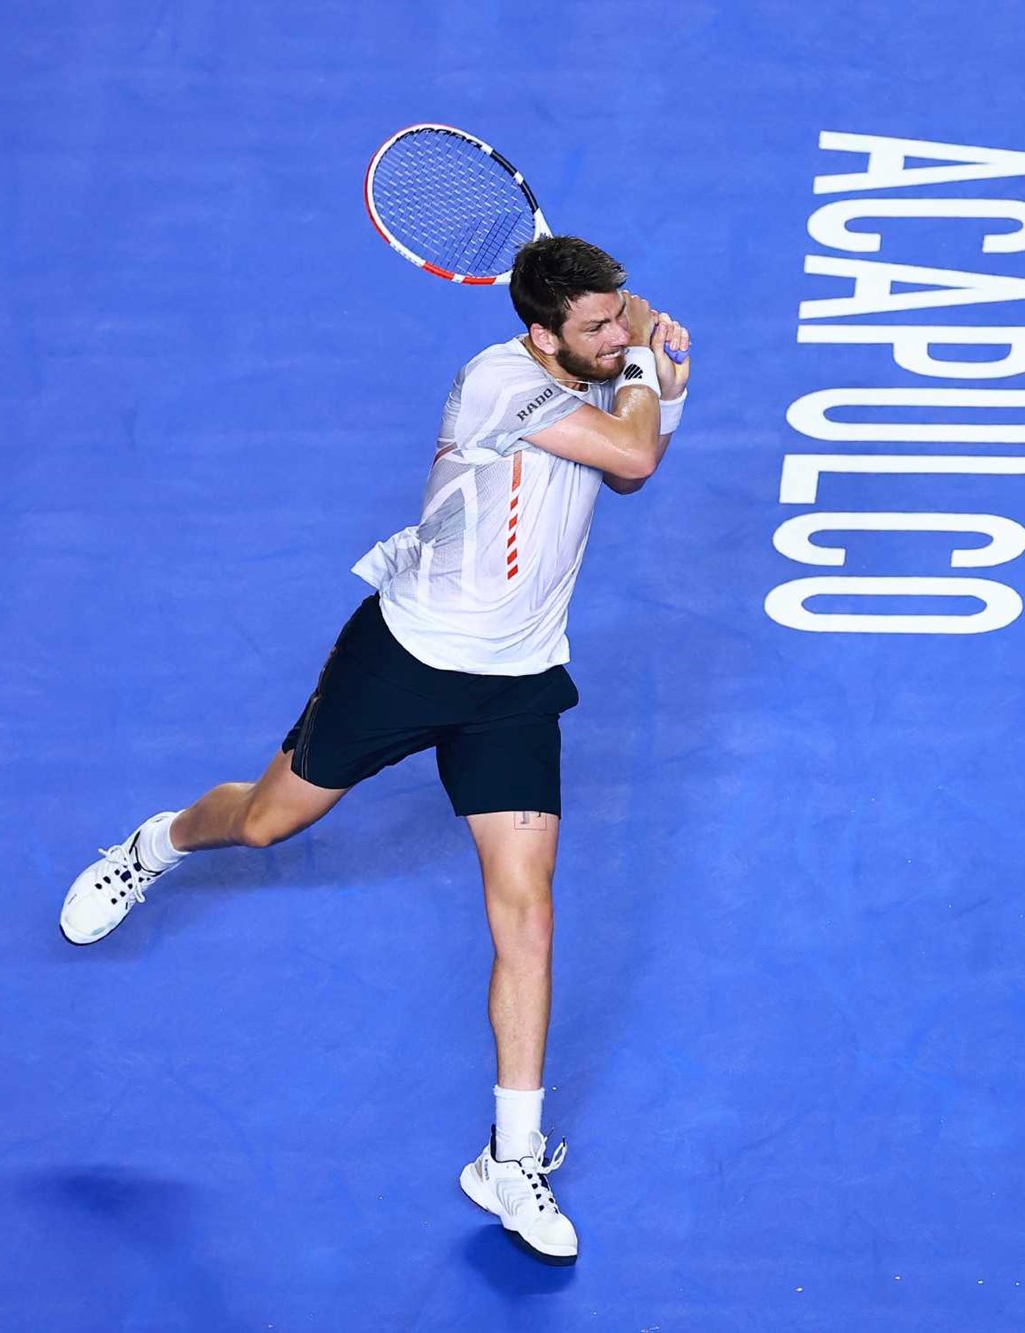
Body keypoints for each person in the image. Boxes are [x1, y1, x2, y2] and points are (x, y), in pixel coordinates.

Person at [57, 235, 690, 1266]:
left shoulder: (581, 347)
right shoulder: (499, 382)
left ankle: (508, 1157)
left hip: (517, 684)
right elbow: (634, 455)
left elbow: (617, 476)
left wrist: (633, 346)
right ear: (539, 336)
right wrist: (649, 372)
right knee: (266, 823)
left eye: (616, 314)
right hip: (405, 659)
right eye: (592, 326)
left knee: (526, 914)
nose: (613, 333)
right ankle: (153, 845)